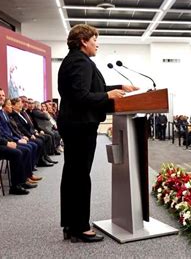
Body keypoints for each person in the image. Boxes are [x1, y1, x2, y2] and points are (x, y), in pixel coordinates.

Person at [58, 24, 138, 243]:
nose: (97, 44)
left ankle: (71, 224)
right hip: (80, 125)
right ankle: (80, 227)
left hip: (75, 124)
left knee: (73, 175)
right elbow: (81, 97)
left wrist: (119, 86)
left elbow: (87, 91)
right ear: (83, 40)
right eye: (95, 40)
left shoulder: (75, 60)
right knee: (80, 177)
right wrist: (109, 95)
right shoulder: (80, 62)